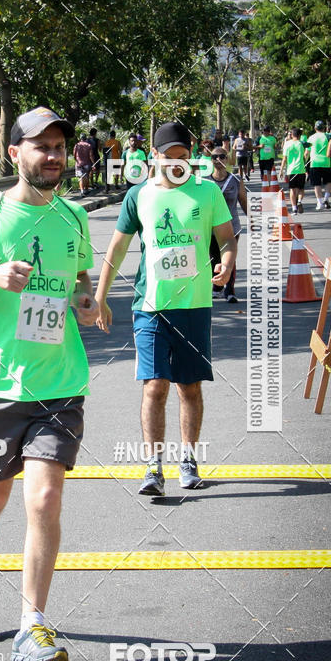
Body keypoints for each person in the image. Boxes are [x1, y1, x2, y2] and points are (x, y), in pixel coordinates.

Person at [0, 106, 98, 661]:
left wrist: (87, 301)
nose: (53, 156)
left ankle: (33, 625)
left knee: (45, 497)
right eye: (41, 146)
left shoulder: (73, 216)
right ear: (15, 153)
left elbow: (79, 277)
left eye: (59, 147)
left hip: (59, 382)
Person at [95, 121, 237, 496]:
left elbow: (226, 239)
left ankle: (188, 460)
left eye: (184, 157)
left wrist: (226, 262)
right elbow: (117, 248)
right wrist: (101, 296)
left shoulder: (207, 191)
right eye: (169, 157)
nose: (177, 164)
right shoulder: (138, 196)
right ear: (154, 156)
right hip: (151, 306)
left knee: (189, 387)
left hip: (194, 306)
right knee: (155, 386)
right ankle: (153, 467)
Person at [207, 148, 248, 303]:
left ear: (227, 159)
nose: (218, 159)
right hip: (211, 228)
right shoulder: (204, 181)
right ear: (211, 160)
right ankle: (217, 287)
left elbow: (243, 200)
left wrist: (253, 219)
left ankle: (230, 291)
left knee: (229, 257)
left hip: (232, 227)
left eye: (222, 156)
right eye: (214, 157)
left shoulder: (236, 180)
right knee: (214, 258)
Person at [307, 120, 331, 211]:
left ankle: (320, 202)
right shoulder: (328, 136)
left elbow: (307, 152)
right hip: (326, 162)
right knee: (329, 181)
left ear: (315, 128)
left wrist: (305, 161)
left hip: (314, 163)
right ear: (324, 128)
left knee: (316, 184)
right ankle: (326, 198)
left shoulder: (311, 137)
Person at [280, 128, 307, 214]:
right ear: (300, 135)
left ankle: (294, 208)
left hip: (291, 170)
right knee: (301, 189)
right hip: (301, 169)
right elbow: (306, 153)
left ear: (292, 135)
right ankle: (299, 201)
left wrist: (281, 170)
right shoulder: (302, 143)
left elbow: (284, 158)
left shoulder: (287, 144)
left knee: (292, 189)